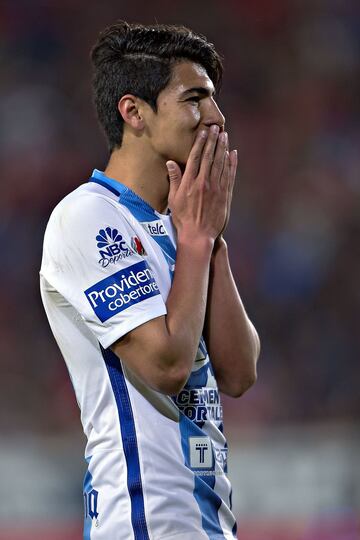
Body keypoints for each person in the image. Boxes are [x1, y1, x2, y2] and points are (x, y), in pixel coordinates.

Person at [40, 20, 260, 540]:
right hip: (144, 522)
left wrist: (212, 241)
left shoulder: (182, 230)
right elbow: (166, 365)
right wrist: (196, 242)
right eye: (195, 99)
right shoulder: (88, 218)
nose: (216, 117)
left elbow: (239, 373)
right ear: (134, 112)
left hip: (207, 523)